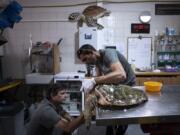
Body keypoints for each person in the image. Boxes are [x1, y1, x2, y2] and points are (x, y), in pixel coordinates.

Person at [77, 44, 136, 135]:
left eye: (85, 59)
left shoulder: (108, 53)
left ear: (92, 52)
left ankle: (120, 130)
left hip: (128, 86)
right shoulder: (97, 61)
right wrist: (94, 92)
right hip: (116, 86)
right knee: (105, 110)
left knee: (122, 119)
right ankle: (108, 127)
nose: (86, 63)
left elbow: (121, 75)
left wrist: (94, 80)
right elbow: (99, 81)